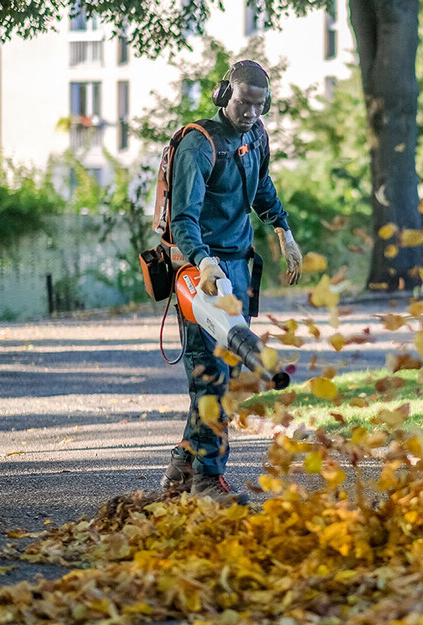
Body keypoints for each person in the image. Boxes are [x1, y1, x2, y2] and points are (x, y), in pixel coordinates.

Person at [159, 59, 302, 504]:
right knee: (211, 377)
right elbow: (183, 219)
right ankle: (207, 481)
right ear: (225, 94)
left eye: (260, 106)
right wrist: (201, 261)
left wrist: (283, 228)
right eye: (244, 103)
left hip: (238, 270)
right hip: (203, 278)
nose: (251, 113)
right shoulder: (199, 146)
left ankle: (184, 464)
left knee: (226, 372)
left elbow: (262, 189)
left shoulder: (255, 136)